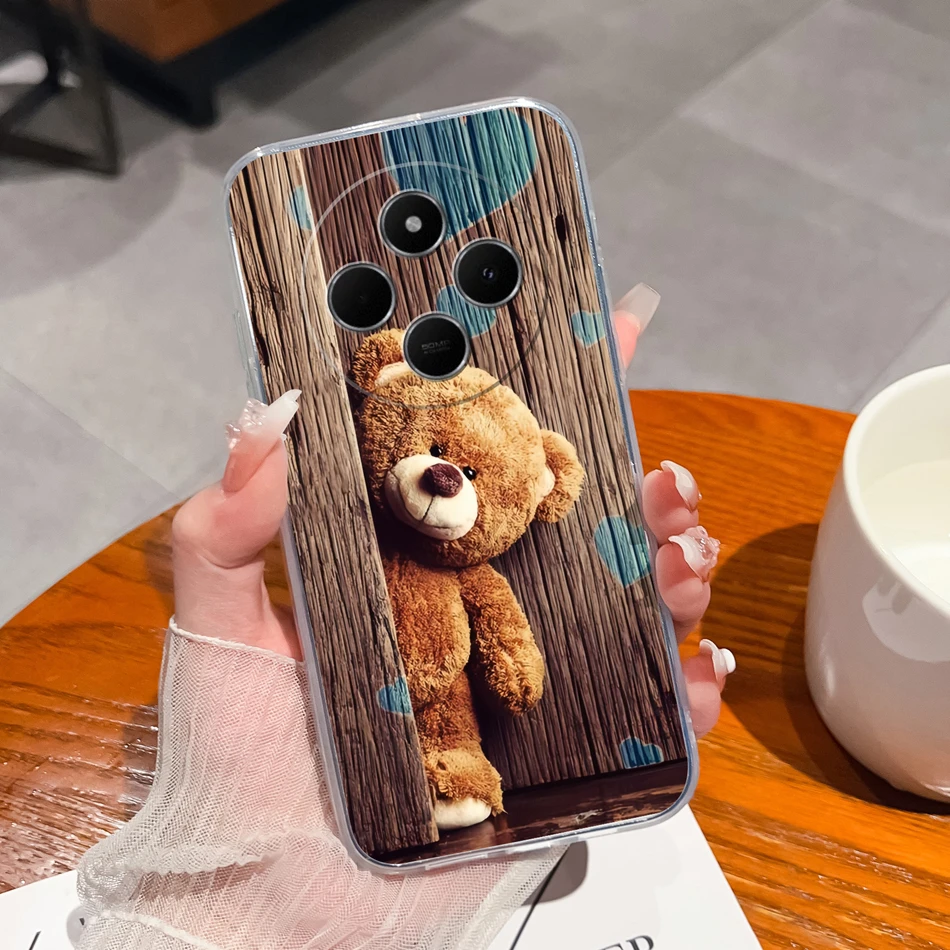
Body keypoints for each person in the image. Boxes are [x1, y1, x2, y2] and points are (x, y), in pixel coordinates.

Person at [75, 302, 734, 950]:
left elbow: (503, 630)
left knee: (453, 724)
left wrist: (516, 670)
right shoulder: (354, 550)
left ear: (542, 488)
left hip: (442, 697)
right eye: (437, 451)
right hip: (353, 702)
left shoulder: (473, 576)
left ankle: (458, 773)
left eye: (470, 474)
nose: (444, 477)